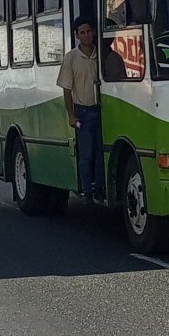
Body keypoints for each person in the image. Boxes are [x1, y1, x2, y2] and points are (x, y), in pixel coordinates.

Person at [56, 16, 105, 204]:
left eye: (89, 31)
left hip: (101, 110)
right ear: (77, 35)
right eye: (82, 33)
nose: (86, 35)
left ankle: (100, 188)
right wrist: (71, 114)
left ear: (93, 32)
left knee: (101, 152)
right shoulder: (71, 58)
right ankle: (87, 191)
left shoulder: (100, 54)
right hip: (83, 112)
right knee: (87, 154)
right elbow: (66, 89)